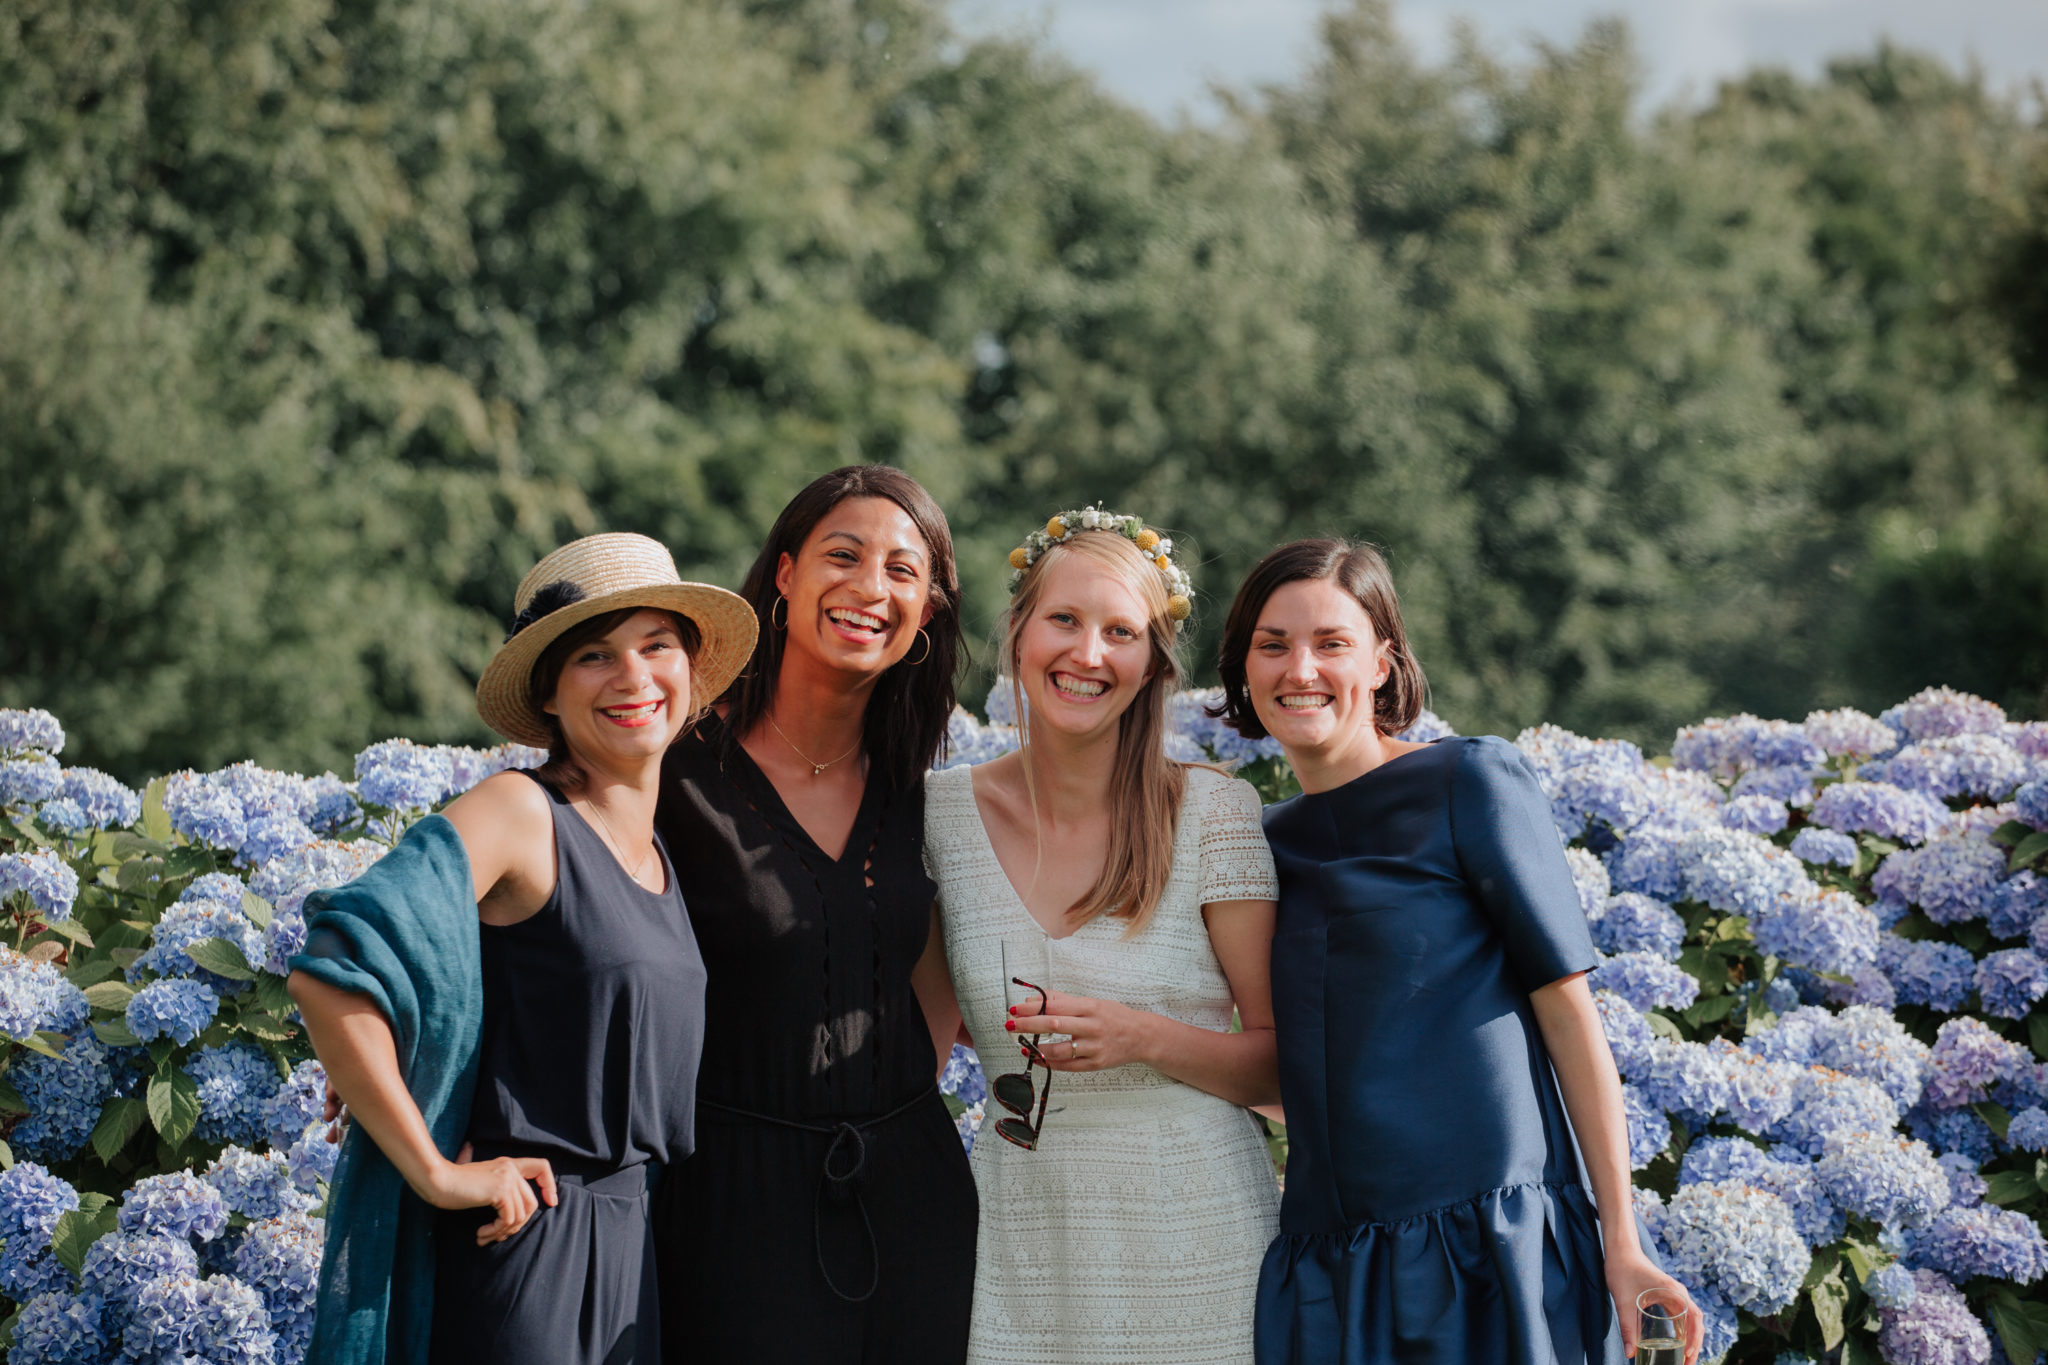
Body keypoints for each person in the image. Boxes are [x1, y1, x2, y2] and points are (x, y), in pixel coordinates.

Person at [1210, 538, 1704, 1365]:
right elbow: (1296, 1072)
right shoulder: (1258, 848)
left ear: (1381, 663)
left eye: (1331, 642)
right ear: (1244, 668)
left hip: (1493, 1248)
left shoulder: (1469, 781)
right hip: (1335, 1268)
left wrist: (1624, 1239)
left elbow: (1570, 1017)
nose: (1300, 668)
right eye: (1273, 644)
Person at [289, 532, 755, 1365]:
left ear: (691, 668)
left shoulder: (658, 853)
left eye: (657, 645)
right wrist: (438, 1170)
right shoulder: (520, 812)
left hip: (636, 1252)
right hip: (530, 1255)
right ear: (548, 693)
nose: (634, 676)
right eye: (593, 655)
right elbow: (337, 962)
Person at [925, 507, 1282, 1365]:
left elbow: (1283, 1064)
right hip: (1022, 1236)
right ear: (1017, 632)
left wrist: (1141, 1036)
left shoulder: (1213, 815)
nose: (1088, 654)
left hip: (1202, 1241)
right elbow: (922, 1042)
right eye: (1065, 620)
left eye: (1121, 631)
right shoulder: (935, 816)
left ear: (1153, 663)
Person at [651, 466, 977, 1363]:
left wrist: (886, 1108)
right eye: (845, 555)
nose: (871, 588)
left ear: (929, 611)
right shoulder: (671, 768)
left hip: (915, 1205)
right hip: (731, 1208)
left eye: (903, 571)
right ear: (785, 575)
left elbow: (929, 981)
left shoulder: (919, 788)